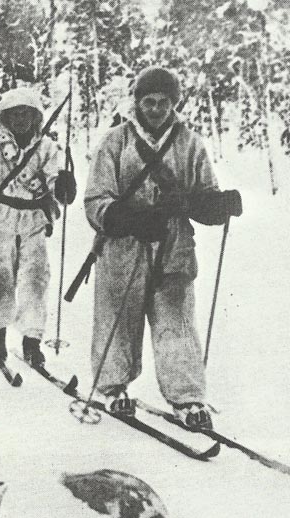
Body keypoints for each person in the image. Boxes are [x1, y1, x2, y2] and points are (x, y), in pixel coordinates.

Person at [83, 66, 241, 429]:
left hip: (174, 245)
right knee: (117, 320)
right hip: (124, 245)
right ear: (136, 102)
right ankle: (113, 387)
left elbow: (204, 196)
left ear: (174, 104)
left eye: (163, 103)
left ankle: (187, 398)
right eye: (148, 101)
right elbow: (95, 200)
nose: (155, 109)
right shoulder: (115, 141)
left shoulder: (190, 143)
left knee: (177, 322)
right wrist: (129, 219)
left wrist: (220, 205)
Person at [0, 87, 62, 367]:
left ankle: (32, 341)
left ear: (34, 116)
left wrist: (62, 186)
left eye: (25, 114)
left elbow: (55, 178)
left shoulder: (46, 147)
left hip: (33, 220)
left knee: (35, 280)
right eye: (13, 114)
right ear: (4, 117)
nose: (20, 119)